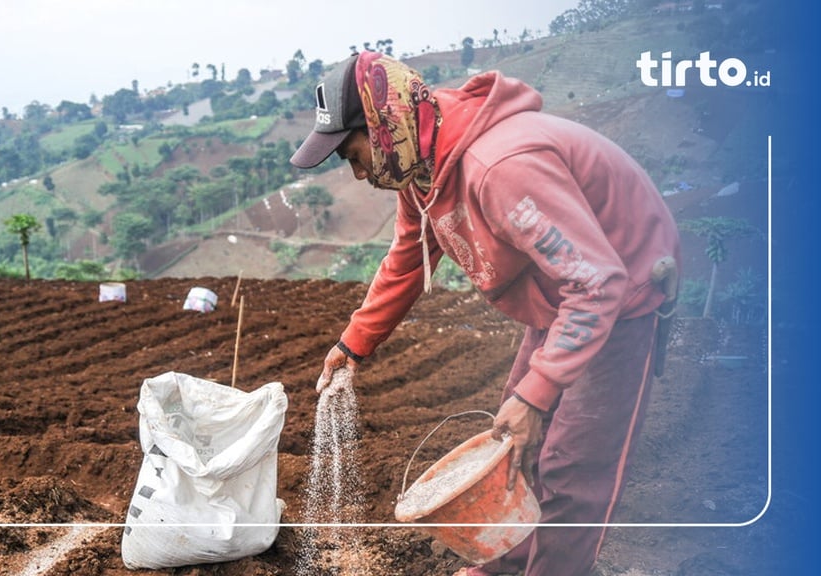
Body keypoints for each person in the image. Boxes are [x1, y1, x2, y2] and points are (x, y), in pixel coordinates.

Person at [289, 52, 681, 576]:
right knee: (510, 450)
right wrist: (353, 343)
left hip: (620, 297)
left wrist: (536, 396)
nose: (358, 174)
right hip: (563, 297)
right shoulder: (420, 169)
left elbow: (596, 283)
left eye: (354, 154)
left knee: (572, 469)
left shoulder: (499, 167)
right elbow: (408, 258)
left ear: (385, 127)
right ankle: (502, 566)